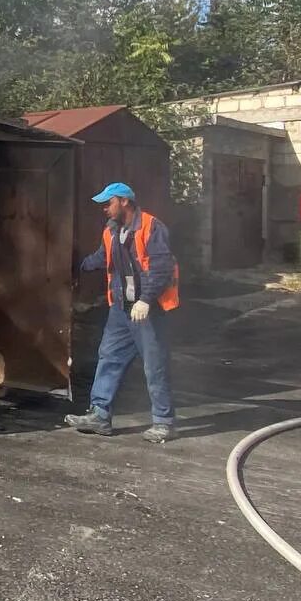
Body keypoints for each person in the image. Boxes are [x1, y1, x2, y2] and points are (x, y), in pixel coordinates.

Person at [65, 182, 179, 443]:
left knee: (154, 365)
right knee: (109, 357)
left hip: (147, 310)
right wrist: (73, 265)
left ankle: (164, 422)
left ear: (124, 201)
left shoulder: (151, 227)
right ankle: (100, 415)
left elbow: (162, 267)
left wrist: (146, 300)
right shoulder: (112, 230)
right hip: (121, 309)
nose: (104, 208)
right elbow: (102, 258)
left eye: (108, 203)